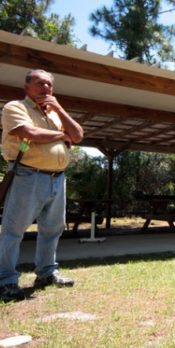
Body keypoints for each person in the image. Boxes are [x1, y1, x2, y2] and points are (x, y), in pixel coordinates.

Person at [0, 69, 84, 302]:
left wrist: (59, 109)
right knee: (13, 230)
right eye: (39, 83)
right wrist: (59, 136)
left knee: (52, 229)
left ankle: (46, 273)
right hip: (28, 175)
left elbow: (76, 135)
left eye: (49, 84)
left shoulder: (56, 114)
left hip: (57, 178)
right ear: (27, 87)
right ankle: (6, 281)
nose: (45, 88)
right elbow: (28, 132)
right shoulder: (15, 107)